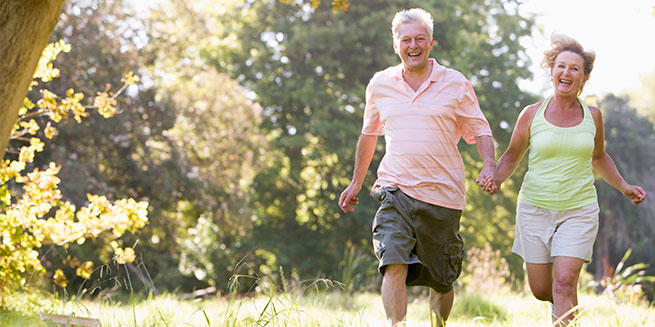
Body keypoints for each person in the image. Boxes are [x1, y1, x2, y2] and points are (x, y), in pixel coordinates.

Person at [338, 8, 496, 326]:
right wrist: (356, 182)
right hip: (395, 190)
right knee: (393, 262)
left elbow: (481, 130)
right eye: (406, 39)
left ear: (431, 42)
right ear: (396, 44)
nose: (413, 45)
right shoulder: (380, 84)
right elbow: (369, 134)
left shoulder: (456, 83)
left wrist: (490, 166)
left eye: (420, 39)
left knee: (441, 281)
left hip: (443, 196)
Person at [488, 34, 648, 326]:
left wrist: (624, 187)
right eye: (561, 66)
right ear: (551, 71)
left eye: (575, 68)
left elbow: (599, 157)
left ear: (584, 78)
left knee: (564, 282)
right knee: (541, 290)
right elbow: (512, 156)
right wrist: (495, 178)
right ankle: (563, 307)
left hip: (579, 209)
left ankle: (564, 311)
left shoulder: (594, 116)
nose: (566, 73)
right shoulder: (531, 114)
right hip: (535, 208)